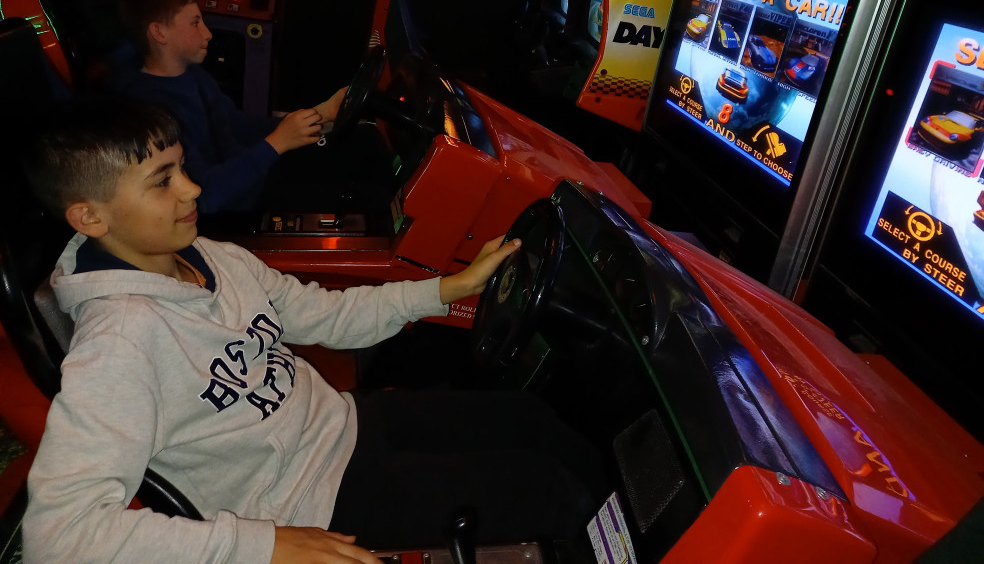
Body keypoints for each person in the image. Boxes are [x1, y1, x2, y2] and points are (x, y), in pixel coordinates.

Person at [20, 96, 603, 563]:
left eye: (183, 169)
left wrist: (449, 288)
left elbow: (325, 315)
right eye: (162, 180)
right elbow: (61, 536)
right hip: (307, 502)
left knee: (530, 418)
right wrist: (264, 546)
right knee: (552, 490)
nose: (192, 189)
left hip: (339, 423)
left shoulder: (211, 256)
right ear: (90, 216)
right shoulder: (117, 343)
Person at [114, 0, 349, 213]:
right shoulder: (151, 111)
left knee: (345, 156)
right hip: (230, 210)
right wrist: (277, 143)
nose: (207, 33)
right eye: (195, 23)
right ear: (159, 32)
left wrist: (320, 114)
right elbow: (204, 197)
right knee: (349, 191)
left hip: (249, 183)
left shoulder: (193, 75)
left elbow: (240, 127)